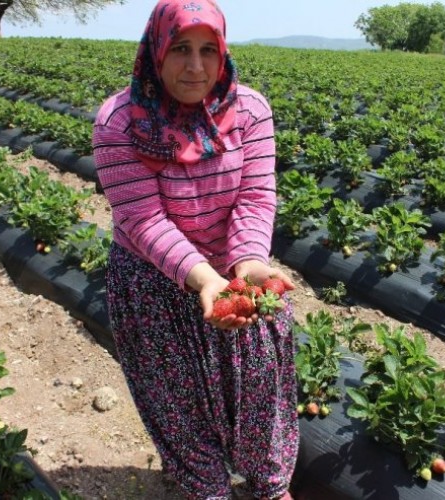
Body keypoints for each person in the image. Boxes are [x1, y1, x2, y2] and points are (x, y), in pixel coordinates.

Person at [92, 1, 299, 499]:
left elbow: (255, 196)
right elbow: (142, 219)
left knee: (259, 383)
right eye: (181, 49)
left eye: (210, 50)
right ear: (156, 50)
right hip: (153, 282)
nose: (196, 66)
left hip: (234, 272)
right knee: (177, 402)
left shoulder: (250, 110)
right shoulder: (119, 122)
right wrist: (203, 278)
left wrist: (247, 263)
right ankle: (206, 487)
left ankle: (270, 484)